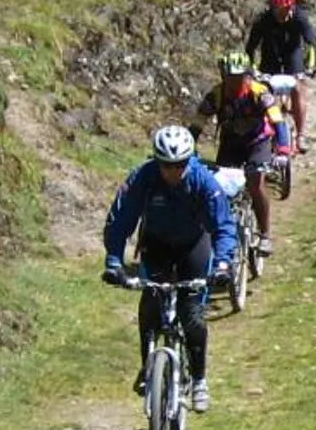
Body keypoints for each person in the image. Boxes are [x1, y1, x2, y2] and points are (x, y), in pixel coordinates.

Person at [101, 123, 237, 413]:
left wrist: (224, 263)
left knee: (192, 317)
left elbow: (223, 226)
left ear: (188, 161)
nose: (172, 171)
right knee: (150, 303)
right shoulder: (143, 178)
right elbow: (120, 219)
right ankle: (147, 365)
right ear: (156, 161)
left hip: (193, 246)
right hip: (156, 245)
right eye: (165, 165)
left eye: (178, 165)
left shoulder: (202, 182)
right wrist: (114, 259)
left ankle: (199, 379)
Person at [202, 53, 283, 252]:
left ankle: (265, 234)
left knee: (255, 182)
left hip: (258, 142)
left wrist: (283, 149)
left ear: (247, 75)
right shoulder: (216, 95)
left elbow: (277, 120)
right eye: (230, 76)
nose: (235, 81)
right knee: (221, 188)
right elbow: (197, 123)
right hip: (230, 144)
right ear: (223, 76)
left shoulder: (259, 92)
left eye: (240, 76)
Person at [243, 0, 316, 153]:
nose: (278, 12)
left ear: (290, 6)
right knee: (267, 96)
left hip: (293, 57)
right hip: (270, 59)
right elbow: (250, 48)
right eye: (274, 8)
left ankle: (301, 135)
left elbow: (312, 44)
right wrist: (253, 69)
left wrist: (311, 66)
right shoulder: (263, 20)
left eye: (281, 8)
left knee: (299, 88)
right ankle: (268, 134)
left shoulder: (300, 18)